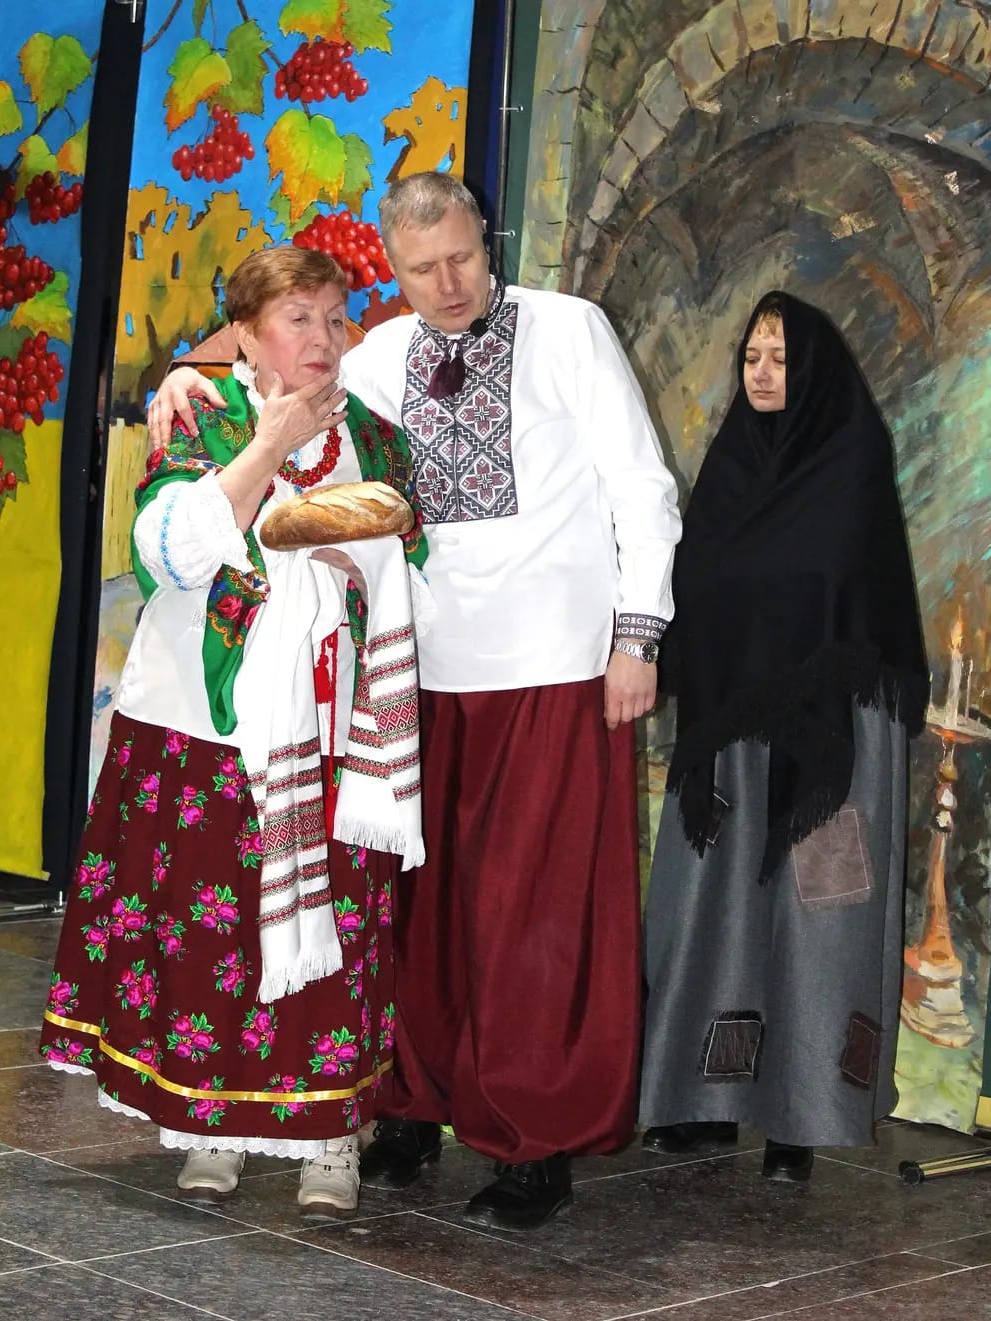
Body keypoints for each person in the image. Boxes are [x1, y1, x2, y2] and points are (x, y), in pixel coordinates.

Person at [148, 172, 683, 1229]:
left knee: (530, 912)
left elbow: (641, 485)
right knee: (415, 907)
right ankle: (410, 1106)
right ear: (391, 270)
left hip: (554, 662)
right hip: (413, 671)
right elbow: (269, 354)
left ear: (488, 237)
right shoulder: (379, 351)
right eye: (421, 269)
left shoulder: (570, 329)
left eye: (462, 258)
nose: (447, 284)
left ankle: (530, 1134)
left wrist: (637, 635)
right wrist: (181, 375)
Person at [40, 247, 428, 1220]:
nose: (321, 338)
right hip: (202, 732)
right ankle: (208, 1123)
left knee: (336, 929)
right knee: (212, 933)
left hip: (335, 729)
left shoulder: (376, 439)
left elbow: (417, 569)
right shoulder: (200, 418)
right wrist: (269, 444)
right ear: (246, 335)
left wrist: (357, 568)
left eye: (334, 318)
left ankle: (330, 1140)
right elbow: (170, 555)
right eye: (297, 318)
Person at [639, 291, 928, 1181]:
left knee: (819, 920)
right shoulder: (730, 468)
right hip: (732, 741)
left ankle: (799, 1117)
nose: (764, 375)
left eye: (782, 359)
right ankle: (705, 1101)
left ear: (815, 371)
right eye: (753, 358)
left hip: (829, 748)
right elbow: (703, 587)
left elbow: (855, 599)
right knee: (714, 915)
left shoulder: (851, 461)